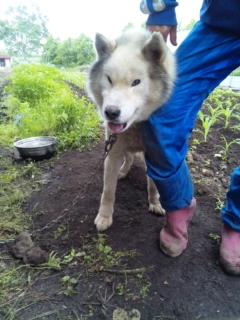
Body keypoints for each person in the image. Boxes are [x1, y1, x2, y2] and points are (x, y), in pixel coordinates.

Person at [140, 0, 240, 275]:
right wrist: (161, 7)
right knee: (161, 109)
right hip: (223, 22)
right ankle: (179, 206)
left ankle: (237, 223)